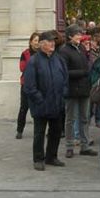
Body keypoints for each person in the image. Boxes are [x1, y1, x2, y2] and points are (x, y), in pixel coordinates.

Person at [24, 30, 68, 170]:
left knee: (56, 132)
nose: (52, 44)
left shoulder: (58, 59)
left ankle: (51, 157)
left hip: (57, 103)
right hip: (41, 104)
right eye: (49, 41)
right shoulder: (34, 61)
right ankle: (38, 159)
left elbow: (65, 78)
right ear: (42, 44)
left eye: (53, 41)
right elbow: (29, 86)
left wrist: (63, 94)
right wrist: (40, 100)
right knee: (39, 133)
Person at [59, 24, 98, 159]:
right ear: (70, 36)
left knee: (85, 118)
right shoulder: (64, 51)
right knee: (70, 119)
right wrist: (82, 72)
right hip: (72, 89)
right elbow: (64, 72)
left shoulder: (81, 48)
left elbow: (86, 65)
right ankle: (69, 146)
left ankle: (85, 145)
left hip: (84, 89)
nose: (80, 36)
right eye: (77, 34)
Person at [15, 32, 39, 139]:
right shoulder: (25, 54)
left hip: (38, 85)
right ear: (31, 42)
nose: (37, 43)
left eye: (38, 41)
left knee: (38, 109)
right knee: (24, 108)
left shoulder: (42, 54)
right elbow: (22, 68)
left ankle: (38, 131)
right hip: (26, 84)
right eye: (35, 40)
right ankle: (19, 130)